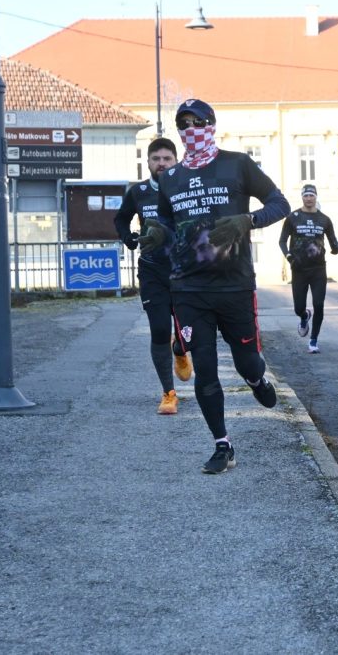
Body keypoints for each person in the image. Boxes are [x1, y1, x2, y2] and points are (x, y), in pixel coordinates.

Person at [139, 99, 290, 474]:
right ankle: (222, 444)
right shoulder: (170, 178)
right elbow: (169, 224)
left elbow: (280, 204)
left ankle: (256, 379)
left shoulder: (237, 163)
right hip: (189, 289)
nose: (191, 130)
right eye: (183, 124)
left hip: (234, 285)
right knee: (205, 370)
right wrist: (158, 233)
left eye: (198, 122)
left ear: (212, 124)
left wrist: (247, 221)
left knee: (246, 361)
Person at [113, 136, 193, 415]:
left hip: (185, 271)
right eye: (156, 158)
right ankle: (169, 393)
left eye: (167, 158)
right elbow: (121, 219)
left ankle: (180, 349)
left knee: (189, 333)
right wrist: (129, 238)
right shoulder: (138, 192)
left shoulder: (188, 187)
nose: (161, 163)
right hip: (152, 270)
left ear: (176, 161)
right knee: (159, 330)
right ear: (147, 162)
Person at [279, 183, 338, 353]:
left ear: (316, 197)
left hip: (318, 269)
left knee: (319, 304)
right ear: (302, 197)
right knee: (298, 307)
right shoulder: (293, 217)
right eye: (306, 195)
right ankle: (304, 316)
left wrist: (335, 248)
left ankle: (313, 340)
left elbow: (333, 241)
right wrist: (289, 256)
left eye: (312, 195)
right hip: (299, 269)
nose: (309, 198)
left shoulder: (324, 219)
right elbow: (282, 241)